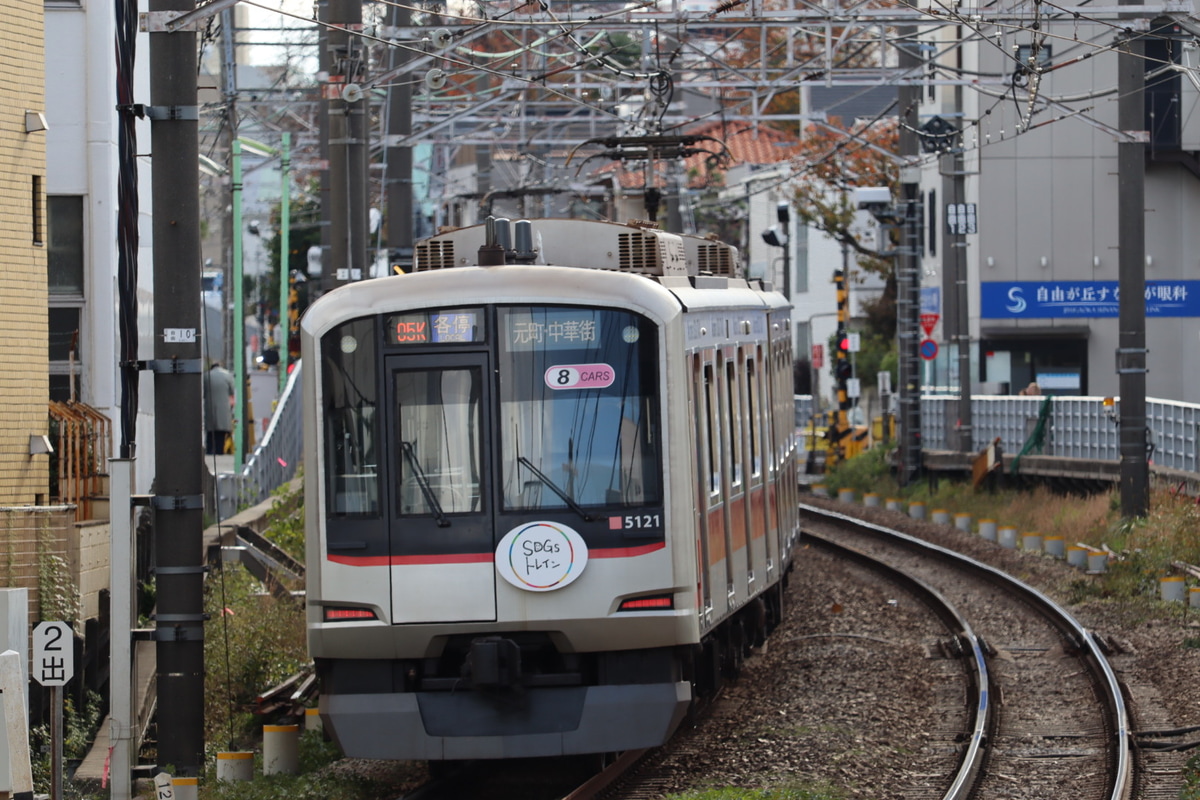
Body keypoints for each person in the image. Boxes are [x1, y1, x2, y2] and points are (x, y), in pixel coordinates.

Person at [205, 361, 235, 455]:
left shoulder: (206, 376)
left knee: (210, 432)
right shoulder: (228, 375)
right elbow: (233, 391)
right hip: (224, 407)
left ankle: (209, 450)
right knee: (221, 433)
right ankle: (219, 451)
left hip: (209, 406)